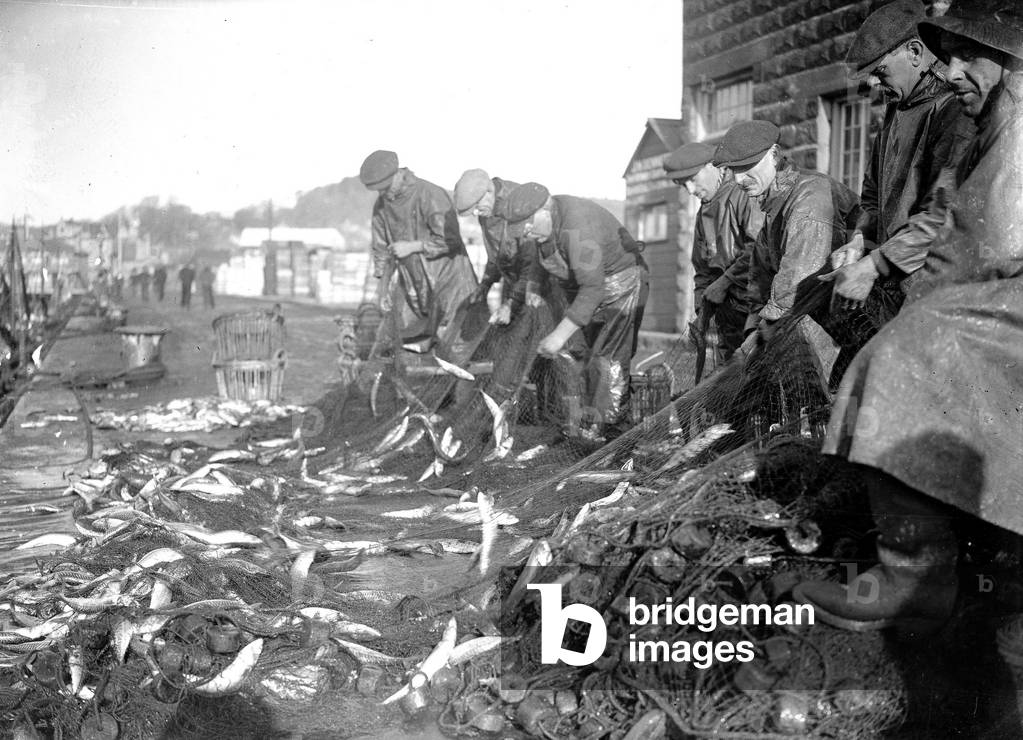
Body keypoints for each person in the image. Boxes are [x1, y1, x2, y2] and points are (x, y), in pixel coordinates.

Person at [795, 0, 1023, 638]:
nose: (955, 72)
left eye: (966, 57)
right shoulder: (926, 114)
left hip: (966, 279)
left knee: (894, 362)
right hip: (934, 272)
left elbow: (983, 235)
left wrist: (909, 287)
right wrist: (863, 244)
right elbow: (893, 201)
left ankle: (915, 573)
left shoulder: (996, 112)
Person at [823, 0, 974, 313]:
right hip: (895, 279)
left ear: (916, 53)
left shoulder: (955, 108)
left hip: (940, 288)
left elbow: (942, 216)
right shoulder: (896, 108)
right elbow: (871, 197)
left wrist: (874, 265)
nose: (873, 83)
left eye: (880, 71)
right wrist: (859, 240)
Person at [713, 120, 861, 391]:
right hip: (829, 323)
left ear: (774, 154)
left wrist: (757, 340)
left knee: (836, 404)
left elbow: (798, 278)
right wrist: (752, 331)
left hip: (861, 327)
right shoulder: (774, 205)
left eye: (746, 168)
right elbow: (761, 276)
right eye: (733, 170)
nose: (737, 179)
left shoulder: (809, 198)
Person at [502, 182, 648, 443]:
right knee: (581, 356)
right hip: (586, 289)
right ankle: (587, 422)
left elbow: (592, 289)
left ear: (544, 210)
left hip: (622, 283)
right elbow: (540, 256)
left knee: (608, 358)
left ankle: (611, 432)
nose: (527, 235)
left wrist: (558, 336)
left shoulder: (578, 227)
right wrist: (534, 287)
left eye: (528, 228)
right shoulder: (543, 226)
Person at [360, 150, 477, 357]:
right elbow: (381, 251)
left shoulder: (430, 195)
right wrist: (383, 286)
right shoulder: (382, 205)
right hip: (415, 284)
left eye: (386, 188)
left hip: (451, 281)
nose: (384, 194)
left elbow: (450, 240)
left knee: (456, 345)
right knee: (406, 343)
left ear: (398, 174)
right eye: (379, 191)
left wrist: (413, 246)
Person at [663, 142, 761, 360]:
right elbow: (702, 270)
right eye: (682, 184)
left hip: (757, 309)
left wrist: (724, 281)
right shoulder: (703, 213)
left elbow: (758, 248)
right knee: (729, 379)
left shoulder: (743, 194)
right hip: (728, 315)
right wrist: (701, 315)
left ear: (713, 166)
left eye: (692, 179)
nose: (689, 190)